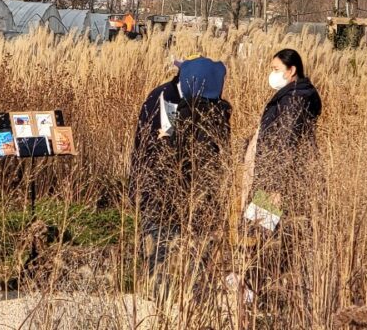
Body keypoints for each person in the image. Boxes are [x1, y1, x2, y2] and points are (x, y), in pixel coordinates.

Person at [129, 55, 231, 277]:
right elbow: (160, 151)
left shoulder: (205, 108)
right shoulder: (166, 100)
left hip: (192, 199)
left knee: (188, 263)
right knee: (162, 259)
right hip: (161, 198)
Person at [242, 48, 322, 212]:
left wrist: (274, 186)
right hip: (274, 173)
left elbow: (285, 142)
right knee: (263, 228)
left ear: (291, 70)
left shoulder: (294, 100)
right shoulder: (292, 95)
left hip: (275, 177)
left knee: (263, 228)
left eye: (276, 69)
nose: (272, 74)